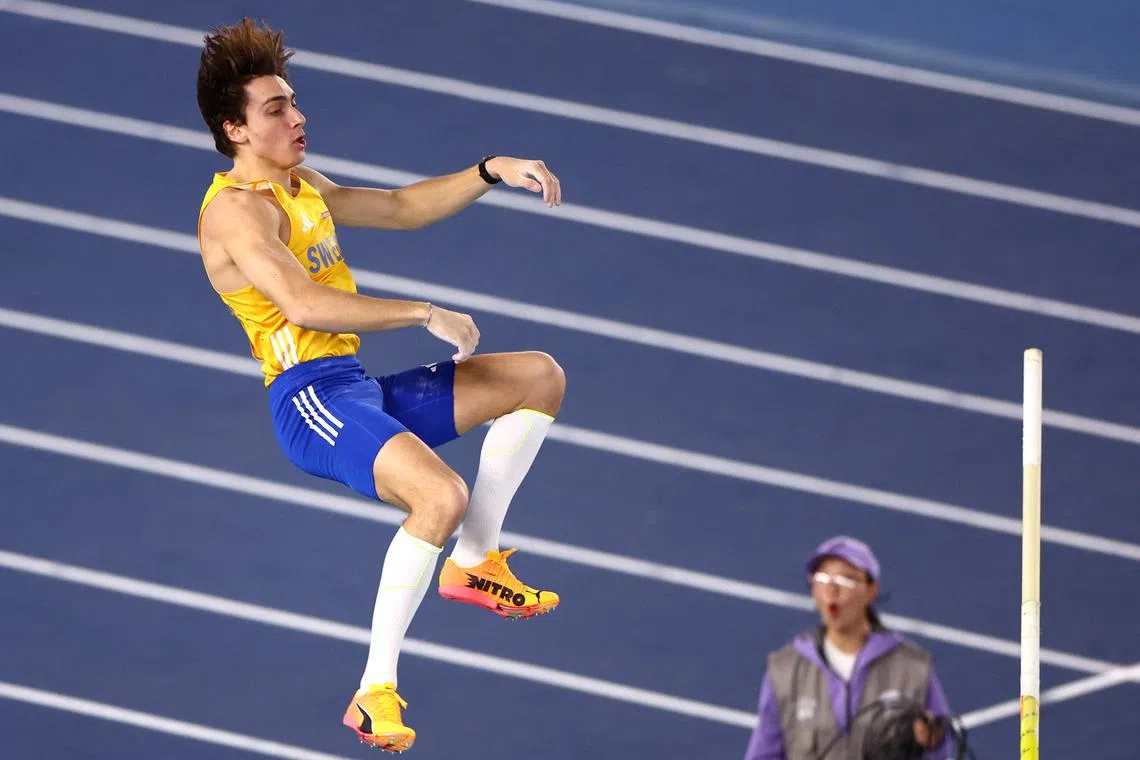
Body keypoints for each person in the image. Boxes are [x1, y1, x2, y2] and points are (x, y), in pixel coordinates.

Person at [195, 19, 565, 753]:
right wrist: (425, 311)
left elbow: (402, 208)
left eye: (294, 103)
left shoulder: (302, 187)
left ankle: (473, 563)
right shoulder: (236, 212)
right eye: (275, 110)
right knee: (440, 496)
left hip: (352, 388)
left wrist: (489, 169)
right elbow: (302, 304)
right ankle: (374, 692)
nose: (298, 117)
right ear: (235, 129)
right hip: (309, 401)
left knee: (537, 377)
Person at [744, 537, 953, 760]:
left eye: (846, 580)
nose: (832, 590)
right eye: (823, 579)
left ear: (871, 590)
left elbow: (942, 748)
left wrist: (934, 741)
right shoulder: (785, 670)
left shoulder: (912, 669)